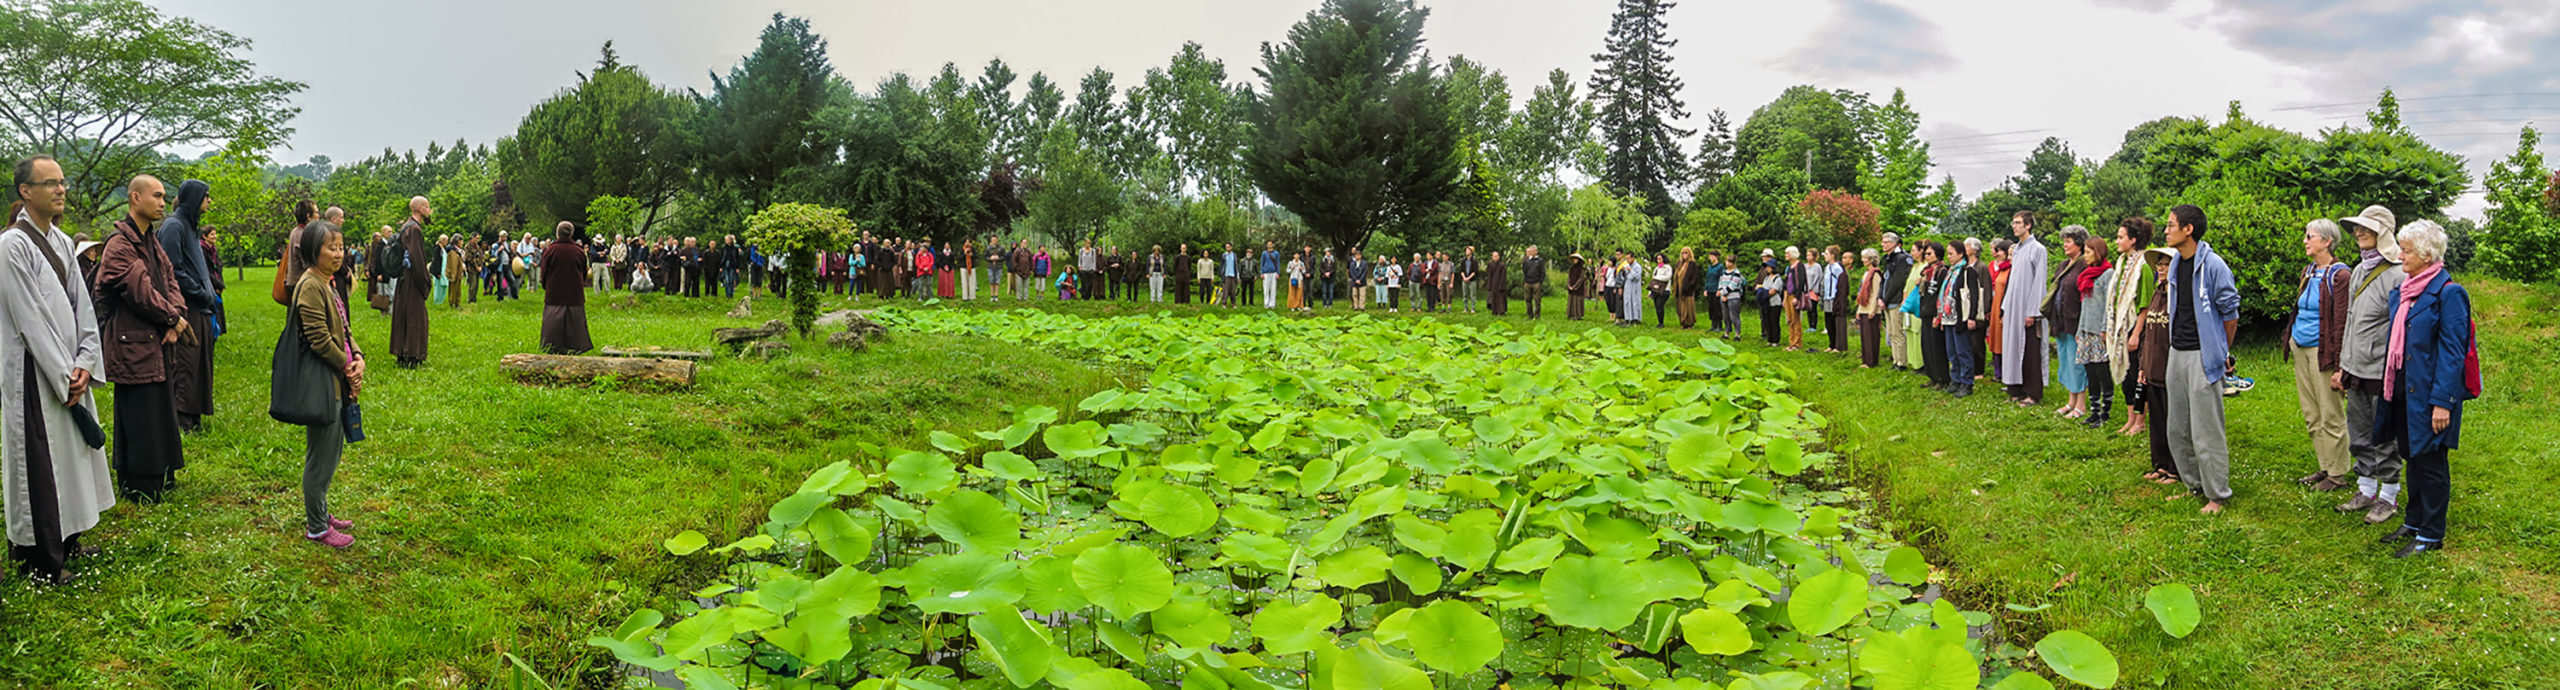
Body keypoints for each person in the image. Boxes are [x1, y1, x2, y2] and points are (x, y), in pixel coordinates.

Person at [2, 155, 114, 584]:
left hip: (70, 369)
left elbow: (82, 309)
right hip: (34, 373)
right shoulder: (12, 246)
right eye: (49, 183)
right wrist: (63, 373)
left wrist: (86, 359)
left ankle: (68, 540)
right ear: (25, 192)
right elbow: (29, 319)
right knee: (40, 463)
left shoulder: (65, 242)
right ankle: (40, 559)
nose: (60, 189)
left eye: (62, 182)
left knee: (70, 460)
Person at [2371, 220, 2470, 558]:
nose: (2401, 256)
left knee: (2431, 464)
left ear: (2427, 255)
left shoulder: (2449, 293)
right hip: (2403, 393)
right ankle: (2413, 522)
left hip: (2430, 398)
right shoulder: (2404, 291)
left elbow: (2453, 352)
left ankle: (2431, 533)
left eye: (2407, 250)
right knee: (2412, 458)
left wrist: (2442, 401)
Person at [94, 174, 190, 502]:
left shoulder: (152, 241)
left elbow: (169, 279)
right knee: (139, 415)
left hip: (159, 339)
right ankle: (139, 484)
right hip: (131, 343)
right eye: (156, 196)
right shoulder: (119, 244)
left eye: (164, 197)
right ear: (135, 198)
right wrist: (172, 318)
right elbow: (140, 292)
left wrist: (177, 315)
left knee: (160, 408)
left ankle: (163, 473)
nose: (163, 203)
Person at [285, 222, 363, 549]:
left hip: (337, 378)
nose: (338, 252)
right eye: (331, 247)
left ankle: (322, 512)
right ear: (313, 249)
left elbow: (343, 329)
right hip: (323, 383)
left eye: (341, 246)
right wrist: (347, 368)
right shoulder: (310, 286)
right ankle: (317, 526)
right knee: (321, 457)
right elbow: (318, 339)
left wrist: (357, 356)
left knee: (331, 451)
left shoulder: (325, 282)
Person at [2161, 205, 2242, 515]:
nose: (2166, 231)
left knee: (2207, 429)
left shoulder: (2214, 266)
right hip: (2177, 352)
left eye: (2170, 225)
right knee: (2177, 427)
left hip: (2202, 356)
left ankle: (2217, 494)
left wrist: (2220, 352)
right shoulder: (2175, 263)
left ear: (2188, 229)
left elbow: (2230, 314)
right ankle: (2193, 484)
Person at [2333, 206, 2409, 523]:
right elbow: (2351, 320)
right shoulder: (2359, 270)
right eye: (2356, 229)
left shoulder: (2398, 274)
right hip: (2355, 367)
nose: (2358, 233)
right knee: (2360, 432)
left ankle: (2388, 496)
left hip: (2382, 371)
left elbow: (2402, 328)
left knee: (2384, 435)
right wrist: (2343, 364)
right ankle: (2365, 489)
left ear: (2384, 233)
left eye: (2366, 228)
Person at [2288, 219, 2354, 493]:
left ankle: (2338, 473)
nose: (2305, 241)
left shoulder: (2341, 276)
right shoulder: (2309, 271)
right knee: (2311, 413)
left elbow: (2341, 323)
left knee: (2330, 413)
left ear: (2327, 241)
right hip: (2300, 348)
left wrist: (2340, 366)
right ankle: (2325, 465)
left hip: (2323, 352)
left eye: (2310, 236)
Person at [157, 179, 218, 432]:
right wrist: (201, 293)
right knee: (186, 364)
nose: (209, 201)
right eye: (206, 196)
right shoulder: (174, 226)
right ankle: (181, 418)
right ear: (194, 197)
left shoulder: (189, 226)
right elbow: (172, 270)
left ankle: (194, 415)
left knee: (200, 363)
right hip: (186, 307)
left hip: (201, 308)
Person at [2002, 212, 2052, 406]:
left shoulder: (2037, 249)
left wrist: (2033, 311)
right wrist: (2006, 306)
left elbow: (2039, 282)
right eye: (2013, 222)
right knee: (2013, 346)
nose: (2014, 226)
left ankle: (2032, 392)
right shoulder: (2018, 250)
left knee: (2030, 350)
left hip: (2027, 308)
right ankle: (2015, 387)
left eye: (2018, 223)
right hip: (2014, 307)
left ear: (2028, 225)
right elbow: (2014, 281)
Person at [2050, 227, 2093, 417]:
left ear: (2079, 243)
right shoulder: (2063, 264)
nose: (2065, 245)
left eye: (2069, 241)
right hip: (2060, 321)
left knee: (2077, 362)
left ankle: (2081, 404)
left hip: (2076, 322)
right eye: (2064, 241)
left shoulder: (2085, 265)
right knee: (2065, 361)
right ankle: (2071, 400)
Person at [2075, 233, 2116, 430]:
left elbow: (2109, 305)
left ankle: (2105, 412)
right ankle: (2094, 411)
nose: (2085, 255)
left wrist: (2104, 329)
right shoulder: (2087, 274)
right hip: (2086, 330)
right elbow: (2085, 304)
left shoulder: (2108, 274)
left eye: (2089, 251)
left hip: (2099, 332)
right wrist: (2079, 329)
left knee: (2102, 372)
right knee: (2090, 372)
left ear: (2098, 252)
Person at [1939, 238, 1987, 397]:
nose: (1949, 257)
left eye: (1951, 254)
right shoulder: (1949, 271)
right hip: (1948, 316)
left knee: (1963, 351)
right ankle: (1956, 379)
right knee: (1951, 351)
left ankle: (1967, 382)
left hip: (1961, 317)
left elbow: (1974, 295)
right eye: (1948, 254)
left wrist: (1971, 317)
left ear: (1961, 254)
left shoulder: (1968, 271)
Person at [390, 197, 433, 368]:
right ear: (419, 208)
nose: (429, 210)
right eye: (427, 207)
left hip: (404, 278)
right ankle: (412, 354)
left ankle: (402, 352)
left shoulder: (406, 226)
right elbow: (417, 259)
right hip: (412, 280)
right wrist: (425, 282)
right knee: (415, 317)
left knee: (404, 315)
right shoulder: (414, 229)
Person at [539, 222, 593, 355]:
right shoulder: (579, 251)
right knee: (575, 322)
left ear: (558, 233)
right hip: (574, 294)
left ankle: (551, 347)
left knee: (553, 322)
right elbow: (584, 272)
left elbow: (544, 271)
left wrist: (545, 285)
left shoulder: (550, 250)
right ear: (571, 234)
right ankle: (576, 346)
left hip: (555, 293)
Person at [1879, 234, 1913, 370]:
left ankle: (1902, 362)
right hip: (1886, 300)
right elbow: (1885, 279)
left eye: (1886, 242)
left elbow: (1897, 281)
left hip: (1895, 299)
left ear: (1894, 243)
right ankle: (1895, 359)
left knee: (1898, 332)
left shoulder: (1902, 258)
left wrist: (1886, 299)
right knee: (1891, 332)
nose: (1883, 245)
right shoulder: (1888, 258)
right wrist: (1880, 297)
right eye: (1882, 242)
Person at [1854, 249, 1883, 367]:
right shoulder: (1866, 273)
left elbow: (1875, 293)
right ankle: (1865, 360)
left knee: (1871, 336)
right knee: (1864, 336)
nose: (1862, 260)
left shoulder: (1875, 274)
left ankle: (1871, 362)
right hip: (1864, 308)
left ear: (1871, 259)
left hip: (1872, 310)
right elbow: (1862, 292)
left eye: (1865, 258)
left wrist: (1872, 310)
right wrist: (1859, 310)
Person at [1824, 246, 1849, 353]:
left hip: (1834, 297)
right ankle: (1831, 343)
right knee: (1828, 321)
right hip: (1827, 297)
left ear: (1832, 255)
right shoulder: (1827, 267)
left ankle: (1838, 346)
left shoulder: (1837, 268)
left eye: (1826, 254)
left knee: (1835, 321)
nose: (1825, 256)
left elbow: (1842, 283)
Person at [1717, 255, 1744, 339]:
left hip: (1733, 296)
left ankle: (1737, 334)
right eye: (1727, 261)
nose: (1728, 264)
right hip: (1723, 297)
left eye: (1730, 262)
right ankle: (1727, 332)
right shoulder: (1723, 272)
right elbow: (1720, 283)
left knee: (1734, 316)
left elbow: (1732, 285)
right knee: (1726, 316)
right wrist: (1721, 292)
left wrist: (1723, 293)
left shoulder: (1736, 273)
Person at [1671, 248, 1697, 328]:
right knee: (1680, 306)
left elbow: (1695, 277)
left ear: (1689, 254)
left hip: (1688, 289)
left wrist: (1689, 286)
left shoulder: (1692, 264)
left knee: (1688, 306)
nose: (1684, 255)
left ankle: (1689, 323)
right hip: (1679, 288)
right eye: (1683, 253)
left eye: (1686, 253)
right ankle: (1683, 322)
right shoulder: (1679, 263)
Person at [1522, 246, 1547, 319]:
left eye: (1533, 251)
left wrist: (1540, 281)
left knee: (1537, 300)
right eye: (1530, 251)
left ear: (1536, 251)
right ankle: (1530, 315)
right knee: (1527, 299)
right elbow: (1524, 270)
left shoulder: (1539, 260)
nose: (1531, 253)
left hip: (1536, 283)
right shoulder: (1527, 261)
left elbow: (1543, 272)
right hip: (1527, 282)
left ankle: (1537, 315)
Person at [1649, 253, 1672, 327]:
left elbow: (1667, 277)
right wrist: (1650, 291)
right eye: (1657, 259)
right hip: (1656, 289)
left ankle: (1661, 322)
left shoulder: (1667, 267)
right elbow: (1653, 280)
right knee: (1657, 306)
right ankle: (1659, 322)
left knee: (1660, 305)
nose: (1658, 260)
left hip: (1665, 290)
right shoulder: (1656, 268)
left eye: (1659, 259)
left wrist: (1657, 277)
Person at [1565, 252, 1588, 320]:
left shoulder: (1581, 269)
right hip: (1571, 285)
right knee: (1571, 299)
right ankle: (1571, 314)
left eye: (1576, 259)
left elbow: (1581, 278)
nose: (1575, 261)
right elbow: (1569, 277)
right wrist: (1569, 285)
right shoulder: (1571, 268)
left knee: (1577, 300)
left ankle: (1578, 315)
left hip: (1578, 287)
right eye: (1574, 259)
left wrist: (1575, 286)